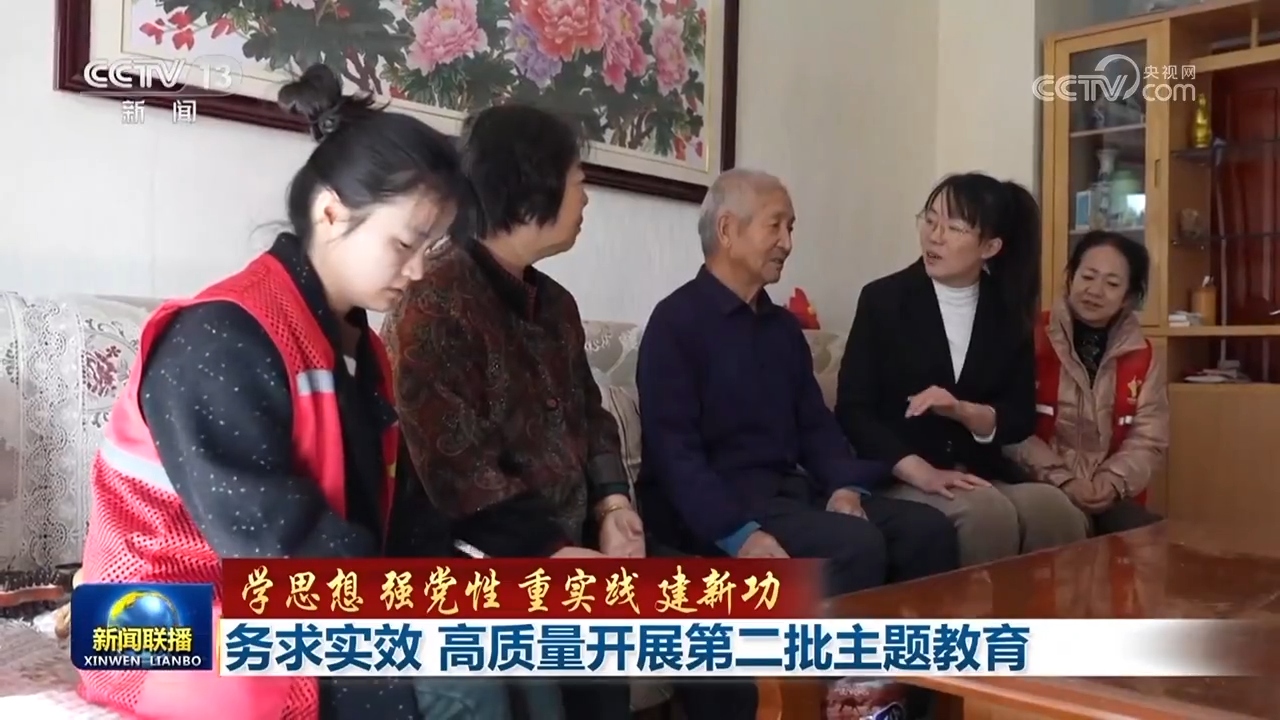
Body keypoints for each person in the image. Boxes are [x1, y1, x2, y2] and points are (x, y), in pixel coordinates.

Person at [76, 64, 468, 719]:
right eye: (406, 242)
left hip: (282, 605)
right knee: (453, 684)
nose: (421, 270)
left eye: (433, 247)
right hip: (152, 627)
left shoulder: (361, 350)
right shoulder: (220, 337)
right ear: (331, 212)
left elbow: (399, 518)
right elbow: (276, 546)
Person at [385, 105, 759, 720]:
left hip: (581, 536)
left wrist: (613, 507)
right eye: (579, 181)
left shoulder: (555, 304)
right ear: (533, 184)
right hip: (493, 554)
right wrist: (554, 551)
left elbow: (592, 415)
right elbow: (454, 472)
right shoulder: (431, 301)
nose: (586, 199)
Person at [636, 168, 959, 598]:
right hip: (715, 510)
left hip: (790, 496)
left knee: (928, 531)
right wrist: (739, 534)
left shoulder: (782, 329)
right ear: (727, 230)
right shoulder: (675, 322)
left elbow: (816, 426)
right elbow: (673, 454)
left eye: (790, 228)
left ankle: (911, 646)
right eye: (775, 226)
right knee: (854, 546)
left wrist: (844, 487)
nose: (787, 243)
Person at [834, 172, 1090, 567]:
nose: (934, 236)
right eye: (930, 219)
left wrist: (963, 411)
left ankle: (1047, 607)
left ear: (990, 246)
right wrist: (921, 472)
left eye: (954, 227)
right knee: (986, 515)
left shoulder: (1007, 311)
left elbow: (1018, 416)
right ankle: (973, 609)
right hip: (903, 471)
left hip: (978, 468)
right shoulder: (883, 300)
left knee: (1055, 511)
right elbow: (854, 410)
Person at [1005, 230, 1164, 534]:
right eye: (1087, 276)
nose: (1095, 291)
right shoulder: (1028, 338)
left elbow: (1149, 439)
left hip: (1111, 496)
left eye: (1112, 284)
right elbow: (1009, 429)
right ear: (1070, 278)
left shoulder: (1143, 355)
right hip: (1037, 487)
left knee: (1152, 541)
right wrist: (1064, 480)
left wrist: (1112, 481)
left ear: (1129, 297)